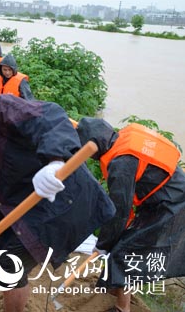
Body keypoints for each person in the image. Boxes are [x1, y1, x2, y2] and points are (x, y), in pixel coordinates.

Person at [0, 84, 115, 312]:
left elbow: (49, 117)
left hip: (63, 196)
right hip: (24, 206)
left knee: (7, 263)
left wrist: (55, 160)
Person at [77, 118, 185, 312]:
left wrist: (103, 244)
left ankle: (122, 308)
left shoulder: (121, 164)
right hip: (164, 198)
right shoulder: (124, 136)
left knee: (125, 251)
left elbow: (118, 211)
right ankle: (117, 286)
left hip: (173, 205)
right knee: (124, 245)